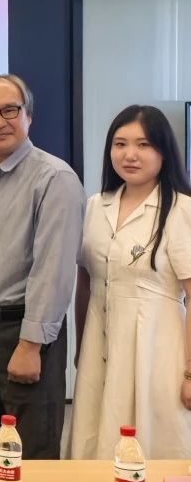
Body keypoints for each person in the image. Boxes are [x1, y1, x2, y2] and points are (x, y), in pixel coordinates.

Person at [0, 73, 83, 461]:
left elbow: (53, 269)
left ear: (29, 115)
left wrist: (31, 345)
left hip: (23, 330)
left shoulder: (54, 178)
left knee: (32, 453)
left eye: (10, 110)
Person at [69, 105, 191, 459]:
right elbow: (86, 280)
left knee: (155, 444)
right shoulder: (96, 205)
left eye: (143, 144)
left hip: (157, 346)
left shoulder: (181, 210)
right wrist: (81, 346)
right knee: (95, 437)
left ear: (164, 151)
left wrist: (190, 374)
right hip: (99, 342)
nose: (130, 155)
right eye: (120, 144)